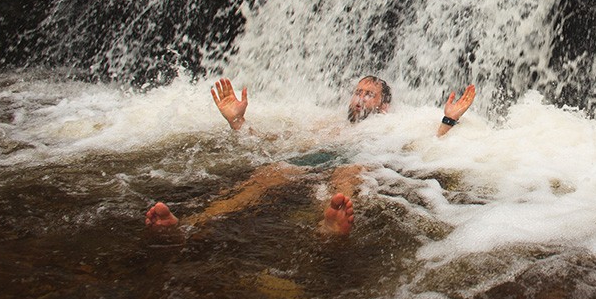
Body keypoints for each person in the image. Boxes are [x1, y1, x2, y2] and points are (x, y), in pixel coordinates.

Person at [144, 76, 476, 235]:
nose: (360, 98)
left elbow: (423, 144)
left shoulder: (388, 126)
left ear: (383, 105)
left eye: (369, 94)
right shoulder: (326, 124)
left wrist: (448, 121)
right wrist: (237, 122)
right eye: (358, 92)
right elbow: (274, 143)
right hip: (317, 157)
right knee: (268, 174)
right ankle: (190, 223)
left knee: (347, 176)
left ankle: (329, 225)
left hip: (355, 159)